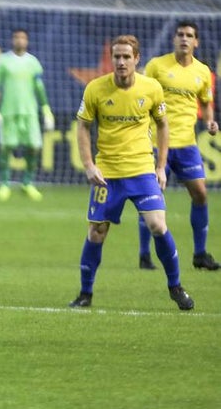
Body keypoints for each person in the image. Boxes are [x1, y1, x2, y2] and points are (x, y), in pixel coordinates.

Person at [70, 35, 194, 311]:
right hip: (108, 174)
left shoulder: (151, 88)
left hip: (141, 171)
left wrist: (160, 166)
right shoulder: (95, 89)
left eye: (127, 57)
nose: (121, 61)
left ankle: (175, 286)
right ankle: (85, 293)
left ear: (137, 59)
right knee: (96, 232)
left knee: (158, 226)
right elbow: (82, 126)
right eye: (117, 56)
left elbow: (163, 125)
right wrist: (89, 165)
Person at [137, 22, 220, 272]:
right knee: (151, 198)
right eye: (180, 34)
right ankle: (144, 255)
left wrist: (209, 121)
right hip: (155, 144)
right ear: (174, 39)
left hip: (186, 145)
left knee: (201, 194)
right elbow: (140, 96)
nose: (184, 39)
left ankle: (200, 254)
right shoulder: (156, 66)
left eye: (189, 36)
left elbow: (205, 102)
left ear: (196, 42)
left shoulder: (203, 72)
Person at [0, 29, 55, 202]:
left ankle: (27, 182)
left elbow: (39, 87)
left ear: (27, 41)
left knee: (34, 146)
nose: (19, 40)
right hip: (8, 111)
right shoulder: (3, 61)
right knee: (6, 147)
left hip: (29, 112)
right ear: (12, 40)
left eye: (23, 37)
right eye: (16, 37)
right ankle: (5, 184)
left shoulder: (33, 62)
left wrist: (46, 109)